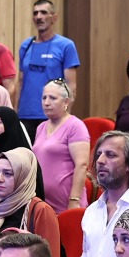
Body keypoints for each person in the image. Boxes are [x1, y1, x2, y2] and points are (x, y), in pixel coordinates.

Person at [17, 0, 81, 126]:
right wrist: (15, 110)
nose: (39, 17)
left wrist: (65, 116)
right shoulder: (26, 46)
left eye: (43, 12)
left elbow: (71, 86)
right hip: (25, 116)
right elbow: (20, 82)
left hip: (52, 116)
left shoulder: (65, 45)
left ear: (54, 18)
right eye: (35, 13)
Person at [33, 79, 91, 211]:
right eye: (44, 98)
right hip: (42, 202)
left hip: (66, 203)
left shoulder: (75, 126)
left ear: (66, 102)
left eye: (53, 98)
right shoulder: (41, 127)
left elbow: (82, 165)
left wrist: (74, 200)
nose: (46, 102)